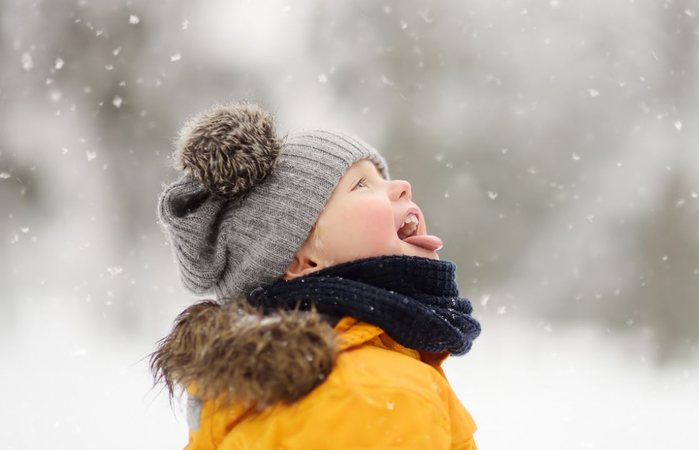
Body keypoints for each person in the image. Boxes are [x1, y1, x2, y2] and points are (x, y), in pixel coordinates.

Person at [150, 101, 481, 449]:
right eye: (361, 185)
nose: (402, 186)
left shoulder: (300, 390)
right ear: (302, 263)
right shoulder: (373, 393)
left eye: (381, 177)